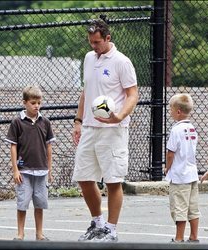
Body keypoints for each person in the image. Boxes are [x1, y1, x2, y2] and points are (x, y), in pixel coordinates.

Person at [72, 19, 138, 242]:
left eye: (97, 42)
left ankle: (111, 229)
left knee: (112, 180)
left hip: (113, 129)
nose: (94, 46)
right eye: (91, 42)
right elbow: (85, 91)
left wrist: (120, 115)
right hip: (90, 127)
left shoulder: (122, 62)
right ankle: (97, 223)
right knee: (83, 177)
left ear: (108, 38)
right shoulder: (89, 58)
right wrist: (78, 121)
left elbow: (132, 94)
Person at [5, 85, 55, 241]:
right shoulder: (17, 122)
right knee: (22, 203)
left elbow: (49, 147)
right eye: (33, 103)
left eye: (39, 103)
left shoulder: (45, 122)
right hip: (24, 170)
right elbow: (13, 147)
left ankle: (39, 234)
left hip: (41, 170)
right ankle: (20, 233)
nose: (36, 106)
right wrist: (15, 170)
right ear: (24, 103)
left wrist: (50, 169)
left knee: (39, 204)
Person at [164, 93, 200, 243]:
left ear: (178, 111)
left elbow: (171, 153)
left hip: (179, 176)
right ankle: (194, 236)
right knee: (193, 207)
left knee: (179, 207)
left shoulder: (176, 130)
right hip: (192, 174)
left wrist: (167, 168)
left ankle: (179, 238)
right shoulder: (192, 129)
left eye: (171, 109)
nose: (170, 112)